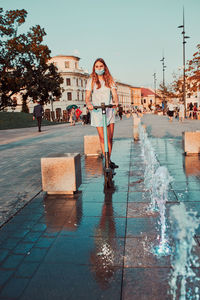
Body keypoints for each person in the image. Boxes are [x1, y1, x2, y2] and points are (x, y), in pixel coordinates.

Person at [85, 58, 119, 169]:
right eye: (97, 66)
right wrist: (88, 103)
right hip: (97, 111)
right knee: (102, 138)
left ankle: (109, 159)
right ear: (94, 68)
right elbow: (87, 96)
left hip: (109, 110)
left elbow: (114, 93)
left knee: (109, 138)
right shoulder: (91, 81)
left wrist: (116, 101)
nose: (99, 68)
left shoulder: (110, 79)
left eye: (101, 66)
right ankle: (107, 161)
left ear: (105, 67)